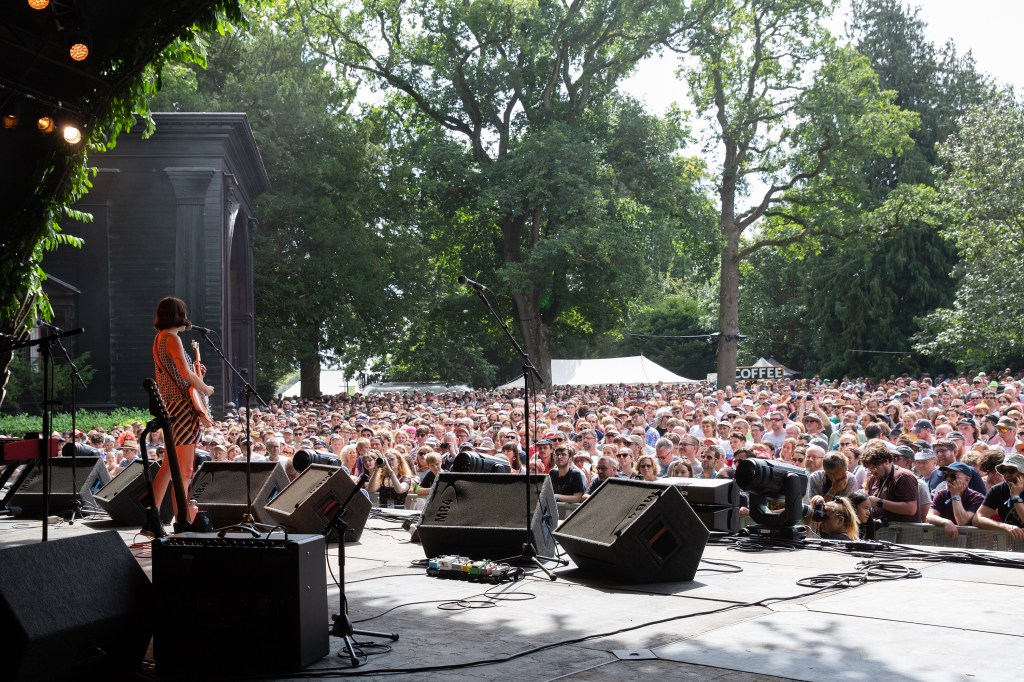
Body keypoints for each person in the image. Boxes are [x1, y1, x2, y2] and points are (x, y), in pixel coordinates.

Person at [151, 296, 213, 523]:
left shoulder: (159, 338)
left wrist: (198, 375)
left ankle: (154, 518)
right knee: (185, 471)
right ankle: (183, 520)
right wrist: (205, 388)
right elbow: (185, 375)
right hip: (183, 408)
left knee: (169, 467)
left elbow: (179, 373)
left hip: (170, 406)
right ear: (178, 315)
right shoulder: (172, 338)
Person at [862, 440, 919, 523]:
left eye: (875, 466)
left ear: (887, 461)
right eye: (869, 468)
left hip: (904, 533)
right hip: (883, 532)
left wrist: (879, 502)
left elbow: (911, 509)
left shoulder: (903, 476)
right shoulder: (874, 478)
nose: (872, 471)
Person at [926, 462, 985, 539]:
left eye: (953, 476)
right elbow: (929, 516)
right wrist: (946, 522)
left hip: (970, 544)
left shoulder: (977, 498)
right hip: (945, 542)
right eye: (946, 476)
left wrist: (955, 495)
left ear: (967, 480)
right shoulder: (941, 494)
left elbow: (961, 521)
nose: (948, 479)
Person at [972, 453, 1024, 540]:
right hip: (1013, 545)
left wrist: (1015, 497)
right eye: (1004, 471)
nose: (1006, 475)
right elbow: (977, 519)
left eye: (1011, 470)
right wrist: (1005, 527)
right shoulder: (998, 490)